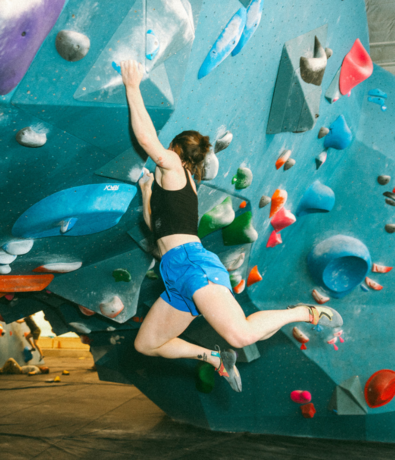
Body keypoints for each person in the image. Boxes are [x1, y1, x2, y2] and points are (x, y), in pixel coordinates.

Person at [120, 60, 343, 392]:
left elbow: (147, 139)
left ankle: (304, 313)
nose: (162, 155)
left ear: (177, 152)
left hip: (193, 267)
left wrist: (132, 87)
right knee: (147, 344)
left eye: (168, 152)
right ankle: (214, 358)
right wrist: (147, 192)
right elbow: (157, 228)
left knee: (240, 333)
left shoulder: (175, 169)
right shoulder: (179, 185)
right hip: (176, 274)